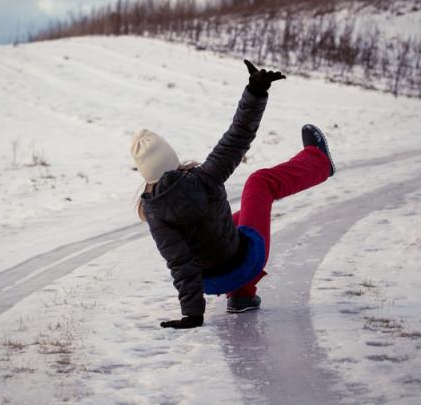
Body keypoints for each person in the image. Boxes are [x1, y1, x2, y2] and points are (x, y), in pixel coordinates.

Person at [130, 59, 335, 329]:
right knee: (258, 183)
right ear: (172, 159)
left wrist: (192, 314)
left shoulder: (154, 210)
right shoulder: (204, 177)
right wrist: (256, 91)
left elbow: (180, 263)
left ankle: (241, 297)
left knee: (234, 218)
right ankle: (319, 161)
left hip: (212, 281)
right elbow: (237, 136)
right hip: (244, 262)